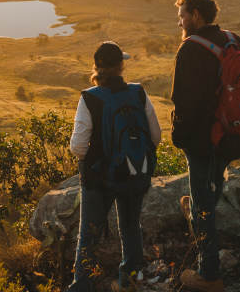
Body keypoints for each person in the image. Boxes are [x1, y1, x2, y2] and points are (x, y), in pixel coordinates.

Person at [172, 0, 240, 292]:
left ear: (196, 16)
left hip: (204, 142)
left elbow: (182, 102)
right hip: (233, 137)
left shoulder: (191, 49)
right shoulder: (234, 40)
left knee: (203, 204)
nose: (180, 23)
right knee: (210, 188)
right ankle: (200, 209)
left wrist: (181, 138)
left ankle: (209, 274)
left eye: (182, 16)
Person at [67, 41, 162, 292]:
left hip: (98, 179)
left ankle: (82, 285)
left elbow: (78, 146)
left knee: (88, 235)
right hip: (133, 173)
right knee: (130, 227)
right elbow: (155, 136)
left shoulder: (89, 98)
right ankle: (130, 278)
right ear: (121, 66)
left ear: (97, 68)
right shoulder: (138, 92)